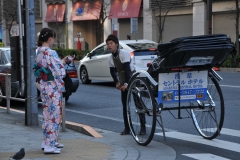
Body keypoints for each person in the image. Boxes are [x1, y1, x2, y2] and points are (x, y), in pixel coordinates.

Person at [35, 28, 70, 154]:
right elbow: (59, 71)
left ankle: (48, 140)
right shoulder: (50, 52)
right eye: (53, 38)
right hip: (53, 87)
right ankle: (50, 145)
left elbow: (46, 68)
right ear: (50, 38)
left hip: (44, 86)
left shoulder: (39, 51)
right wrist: (63, 64)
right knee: (54, 115)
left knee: (47, 114)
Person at [106, 34, 135, 135]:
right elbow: (112, 72)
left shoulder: (124, 53)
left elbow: (127, 70)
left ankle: (143, 127)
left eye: (111, 43)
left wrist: (126, 84)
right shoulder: (110, 58)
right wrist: (117, 83)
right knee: (125, 105)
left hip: (132, 76)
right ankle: (127, 128)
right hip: (123, 79)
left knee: (138, 103)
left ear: (116, 44)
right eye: (108, 44)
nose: (109, 46)